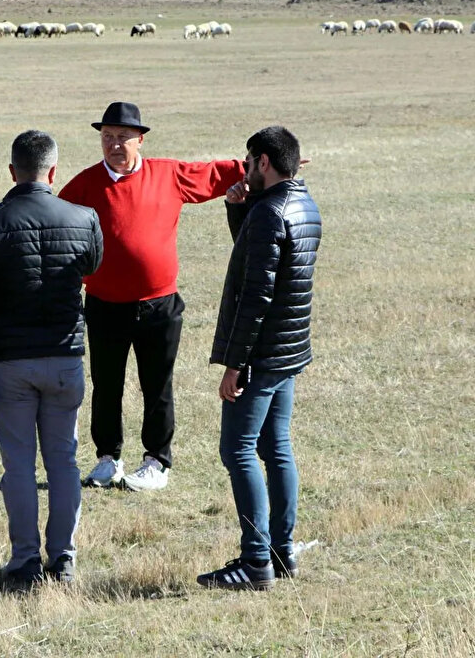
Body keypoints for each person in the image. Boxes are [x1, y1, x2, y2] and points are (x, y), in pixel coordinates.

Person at [58, 101, 243, 492]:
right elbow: (56, 224)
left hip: (159, 305)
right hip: (104, 304)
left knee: (157, 385)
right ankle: (107, 458)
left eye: (123, 137)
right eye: (108, 137)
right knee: (106, 384)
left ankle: (157, 461)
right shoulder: (84, 185)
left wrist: (264, 169)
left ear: (140, 140)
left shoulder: (167, 174)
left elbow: (214, 174)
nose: (114, 145)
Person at [0, 130, 103, 584]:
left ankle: (24, 559)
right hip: (64, 356)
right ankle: (63, 556)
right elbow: (91, 266)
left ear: (11, 171)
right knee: (64, 461)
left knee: (18, 464)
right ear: (53, 172)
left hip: (10, 359)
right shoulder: (84, 218)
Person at [198, 126, 322, 591]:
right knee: (276, 449)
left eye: (249, 161)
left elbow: (256, 295)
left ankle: (255, 562)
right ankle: (281, 552)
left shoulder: (271, 213)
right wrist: (239, 209)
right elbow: (256, 258)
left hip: (262, 354)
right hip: (288, 350)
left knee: (238, 450)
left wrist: (235, 364)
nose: (244, 168)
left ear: (264, 162)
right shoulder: (302, 204)